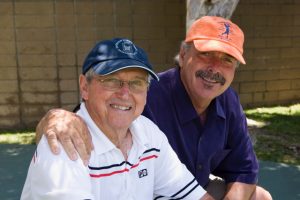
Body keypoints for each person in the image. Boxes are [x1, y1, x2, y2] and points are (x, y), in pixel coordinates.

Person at [36, 16, 272, 199]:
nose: (214, 67)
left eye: (226, 60)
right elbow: (82, 119)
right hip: (148, 193)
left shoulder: (227, 101)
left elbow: (243, 169)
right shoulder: (145, 97)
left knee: (259, 196)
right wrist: (54, 118)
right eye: (206, 54)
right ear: (183, 54)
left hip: (190, 189)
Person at [21, 38, 213, 200]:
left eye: (137, 82)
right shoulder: (65, 141)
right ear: (84, 87)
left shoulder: (147, 133)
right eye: (111, 80)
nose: (124, 93)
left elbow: (194, 196)